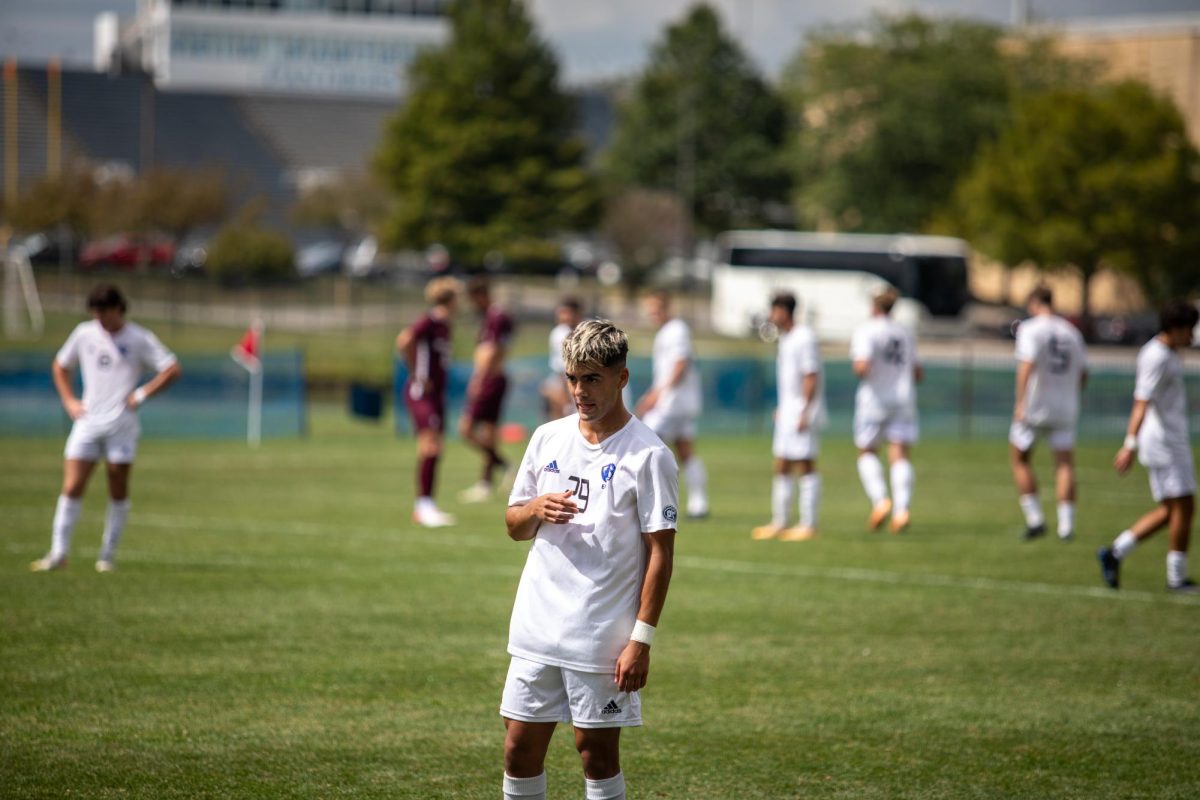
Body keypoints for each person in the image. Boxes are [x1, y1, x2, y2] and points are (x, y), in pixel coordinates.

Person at [500, 318, 677, 800]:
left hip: (600, 635)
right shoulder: (547, 438)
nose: (580, 390)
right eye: (573, 378)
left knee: (595, 757)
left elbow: (661, 553)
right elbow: (515, 526)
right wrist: (536, 508)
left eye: (593, 378)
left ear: (621, 377)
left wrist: (641, 640)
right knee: (518, 750)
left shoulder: (650, 455)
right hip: (537, 626)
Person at [31, 284, 181, 573]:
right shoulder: (84, 333)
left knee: (117, 488)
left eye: (105, 313)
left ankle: (107, 555)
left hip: (121, 426)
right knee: (72, 485)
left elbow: (172, 368)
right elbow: (61, 366)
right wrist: (69, 401)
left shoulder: (138, 337)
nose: (100, 320)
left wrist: (141, 394)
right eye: (96, 314)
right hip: (87, 423)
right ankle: (59, 553)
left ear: (118, 309)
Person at [1098, 300, 1200, 593]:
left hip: (1168, 439)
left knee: (1171, 510)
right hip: (1166, 443)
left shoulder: (1166, 354)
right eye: (1190, 330)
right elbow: (1141, 402)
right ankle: (1176, 579)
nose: (1192, 337)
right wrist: (1129, 444)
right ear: (1177, 328)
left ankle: (1115, 553)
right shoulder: (1157, 356)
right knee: (1185, 507)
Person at [1009, 286, 1088, 541]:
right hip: (1065, 405)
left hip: (1035, 406)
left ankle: (1036, 520)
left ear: (1033, 302)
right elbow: (1083, 373)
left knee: (1020, 458)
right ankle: (1066, 526)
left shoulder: (1030, 328)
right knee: (1064, 464)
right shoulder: (1071, 331)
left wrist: (1020, 402)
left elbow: (1026, 366)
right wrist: (1070, 394)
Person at [752, 292, 825, 542]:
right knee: (782, 464)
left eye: (774, 310)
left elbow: (811, 375)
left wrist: (805, 409)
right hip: (788, 411)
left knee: (805, 464)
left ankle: (808, 523)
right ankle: (780, 521)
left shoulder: (804, 337)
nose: (772, 316)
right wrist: (783, 408)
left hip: (802, 411)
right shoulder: (786, 339)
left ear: (784, 310)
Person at [850, 287, 923, 533]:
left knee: (867, 451)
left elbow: (862, 366)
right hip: (903, 399)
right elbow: (917, 372)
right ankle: (902, 510)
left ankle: (881, 501)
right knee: (899, 454)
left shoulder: (867, 330)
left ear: (873, 307)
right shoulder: (905, 332)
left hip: (875, 399)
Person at [395, 276, 462, 528]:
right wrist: (417, 373)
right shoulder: (430, 321)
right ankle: (423, 506)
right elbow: (404, 341)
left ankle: (427, 504)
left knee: (436, 448)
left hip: (436, 395)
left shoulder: (445, 325)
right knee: (430, 447)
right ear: (450, 299)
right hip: (421, 392)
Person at [635, 290, 708, 518]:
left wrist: (658, 394)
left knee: (645, 446)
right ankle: (699, 503)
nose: (653, 315)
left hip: (672, 403)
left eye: (656, 310)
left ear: (666, 308)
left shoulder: (676, 330)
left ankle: (647, 500)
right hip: (679, 402)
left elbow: (680, 364)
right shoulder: (667, 331)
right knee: (685, 450)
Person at [459, 276, 517, 503]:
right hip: (493, 378)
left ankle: (505, 465)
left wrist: (479, 379)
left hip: (490, 379)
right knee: (489, 434)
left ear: (480, 297)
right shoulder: (493, 317)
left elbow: (492, 350)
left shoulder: (496, 317)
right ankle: (485, 483)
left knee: (466, 429)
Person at [539, 296, 583, 421]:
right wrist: (568, 404)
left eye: (566, 313)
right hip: (565, 382)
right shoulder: (559, 334)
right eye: (561, 313)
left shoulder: (587, 330)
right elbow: (562, 371)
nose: (563, 317)